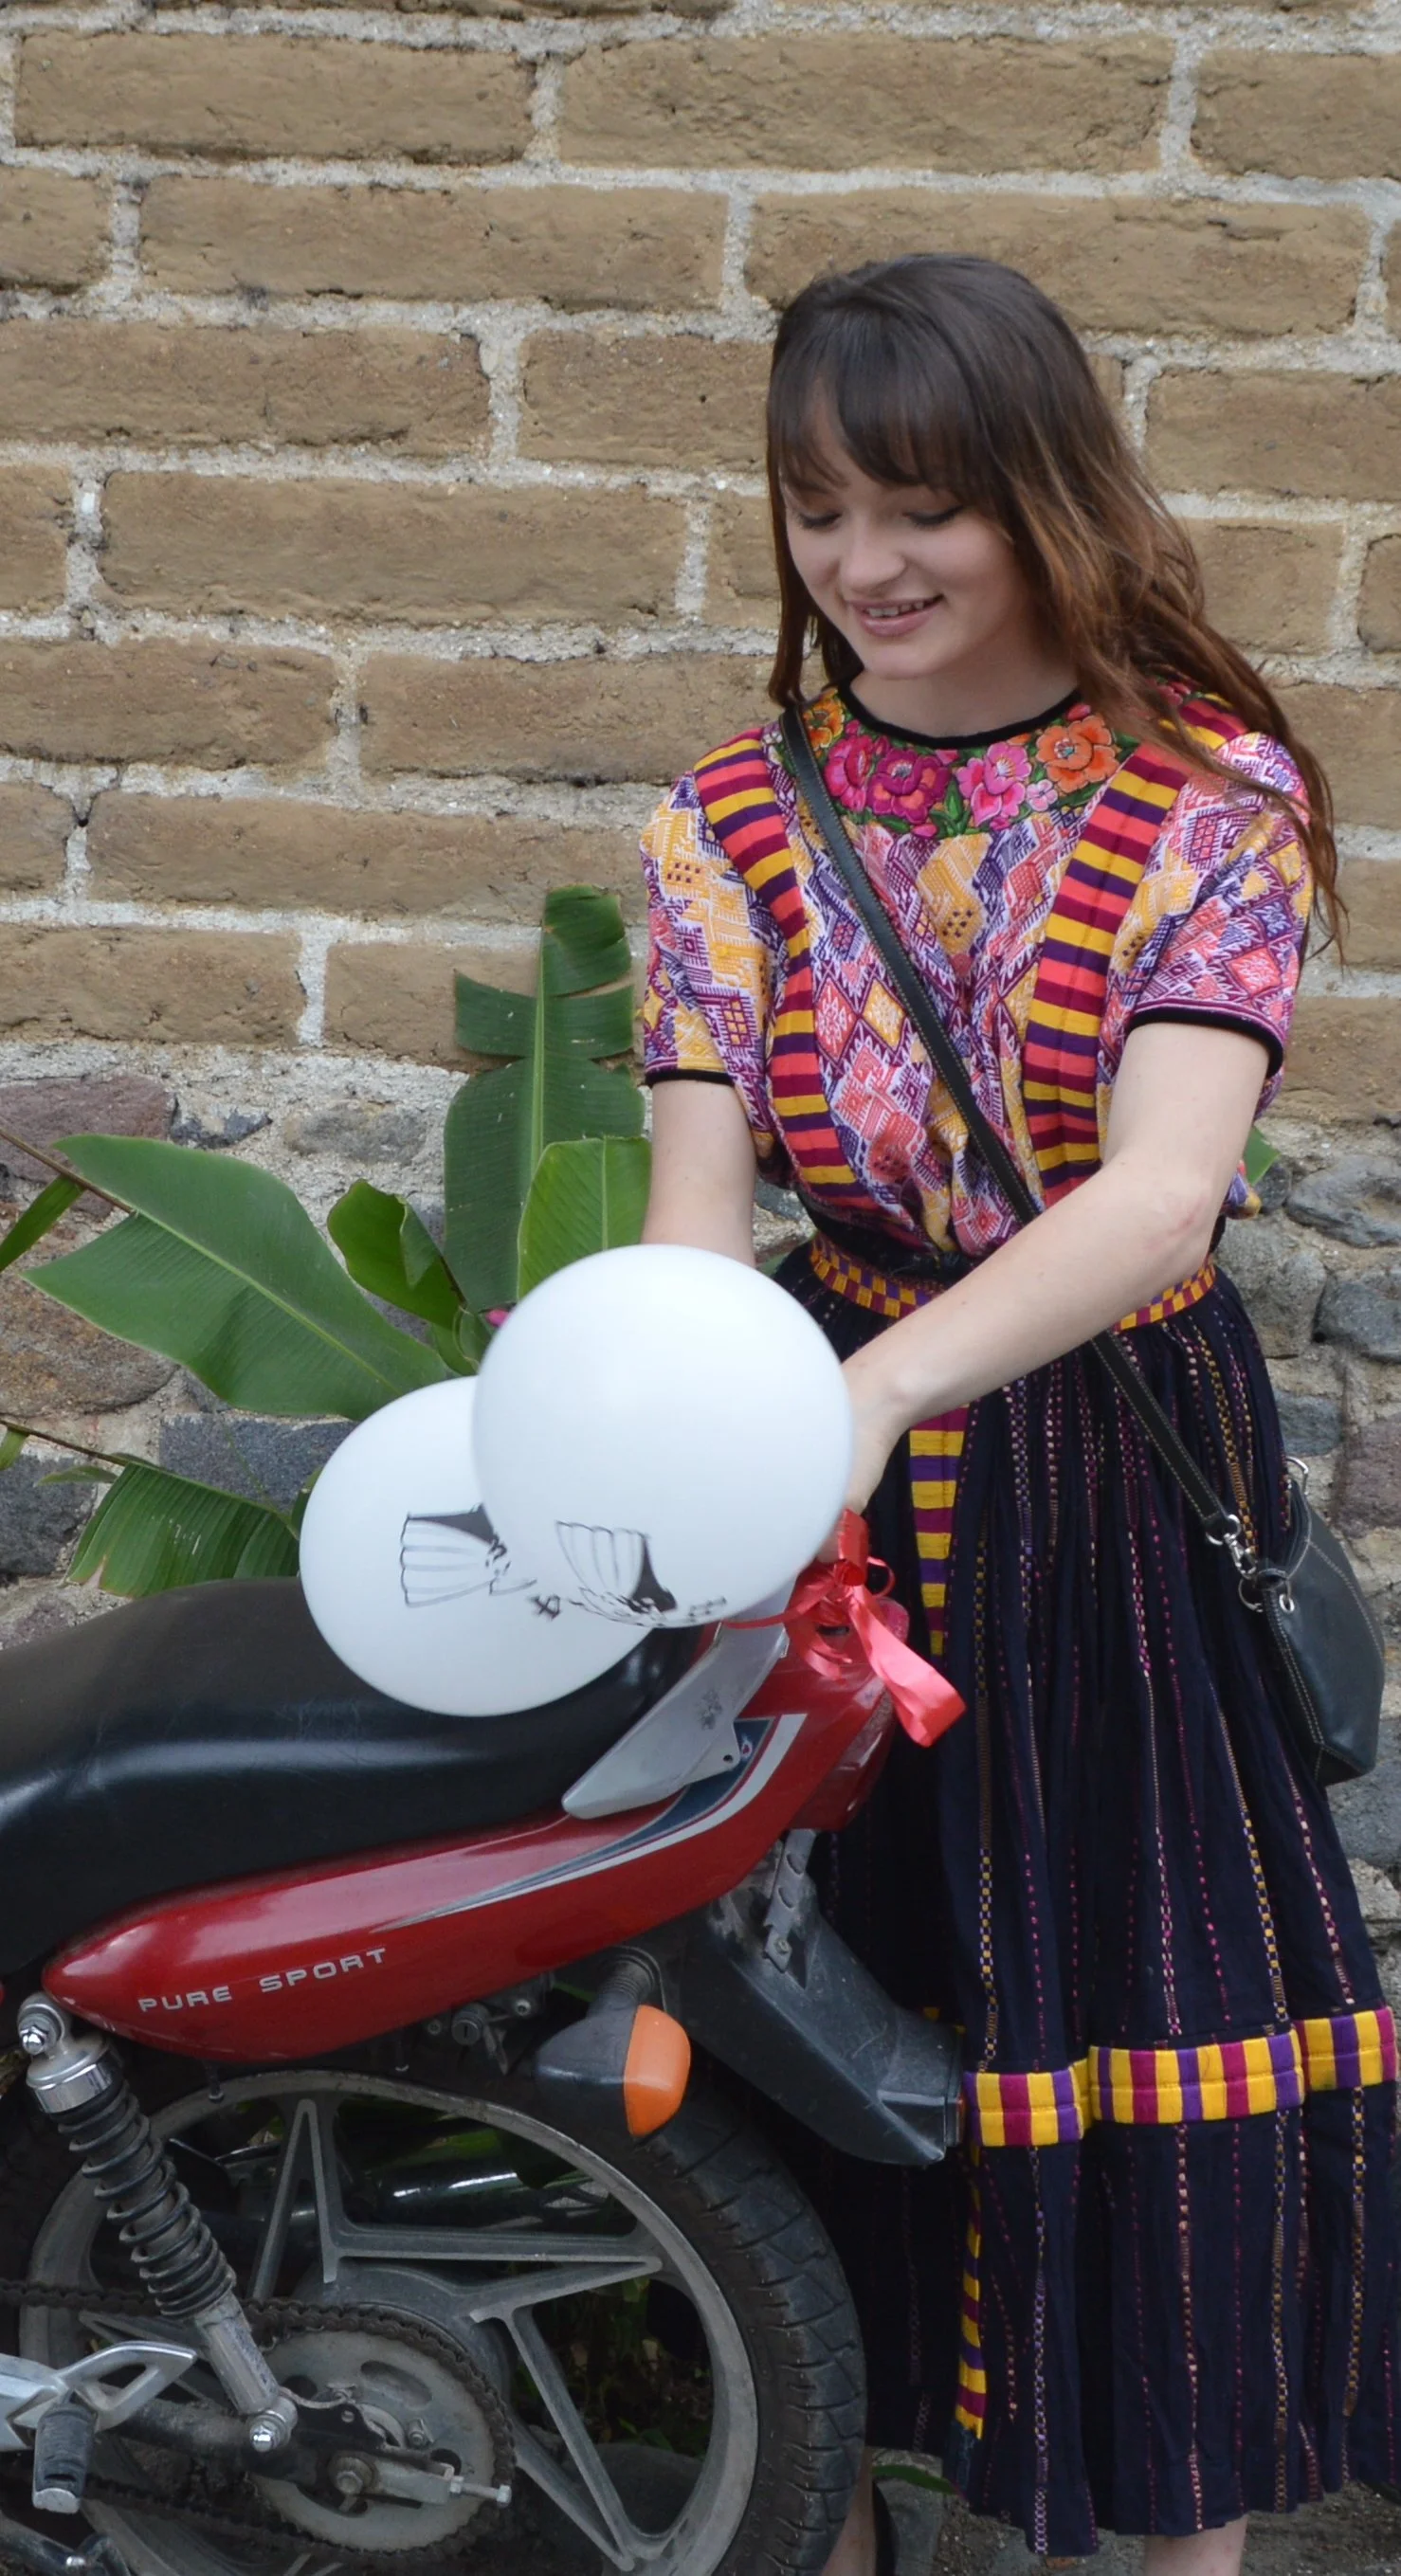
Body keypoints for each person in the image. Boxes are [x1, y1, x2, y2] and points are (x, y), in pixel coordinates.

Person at [637, 256, 1400, 2573]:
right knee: (806, 2031)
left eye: (924, 506)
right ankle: (829, 2521)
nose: (865, 565)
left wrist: (869, 1394)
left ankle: (1175, 2542)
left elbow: (1162, 1201)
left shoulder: (1202, 795)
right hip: (829, 1510)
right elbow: (694, 1217)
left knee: (1140, 2024)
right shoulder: (729, 822)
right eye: (816, 508)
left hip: (1098, 1492)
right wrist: (687, 1439)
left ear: (1042, 498)